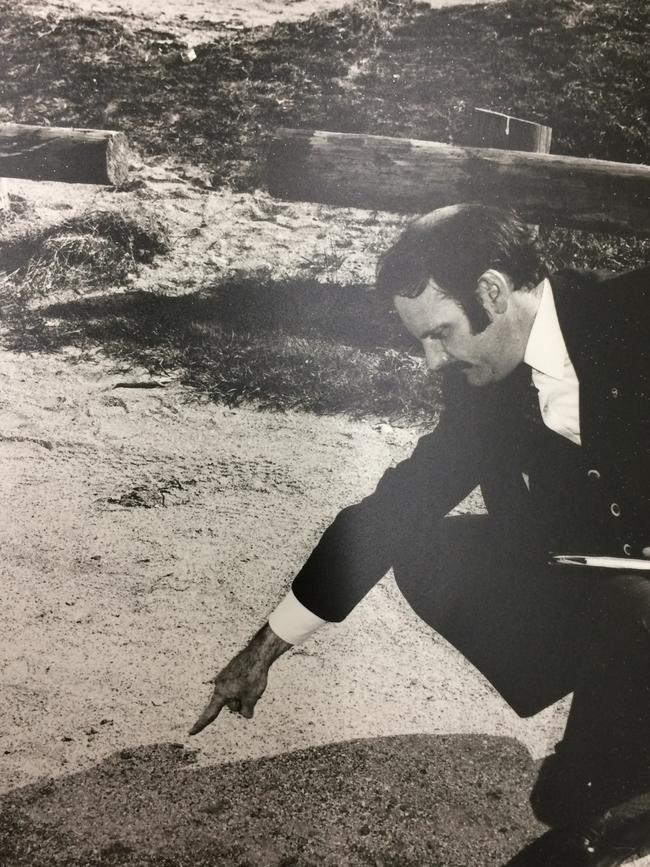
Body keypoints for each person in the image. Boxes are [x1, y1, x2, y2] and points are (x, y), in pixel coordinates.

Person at [189, 204, 650, 866]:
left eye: (440, 332)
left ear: (492, 291)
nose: (432, 359)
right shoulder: (481, 390)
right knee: (432, 552)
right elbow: (394, 509)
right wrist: (265, 648)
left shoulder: (637, 312)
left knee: (577, 813)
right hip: (621, 603)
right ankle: (616, 730)